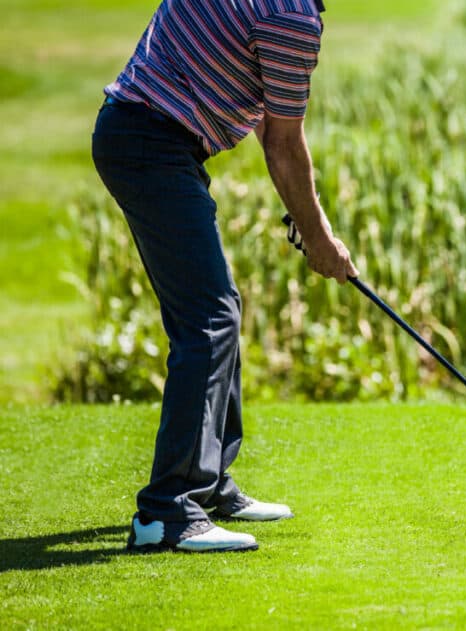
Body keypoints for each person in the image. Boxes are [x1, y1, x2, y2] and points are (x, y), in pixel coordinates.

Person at [92, 0, 359, 553]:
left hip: (144, 135)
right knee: (209, 318)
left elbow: (266, 118)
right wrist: (321, 240)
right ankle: (167, 513)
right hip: (151, 143)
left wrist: (314, 228)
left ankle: (208, 485)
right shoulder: (293, 18)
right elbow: (285, 144)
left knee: (219, 306)